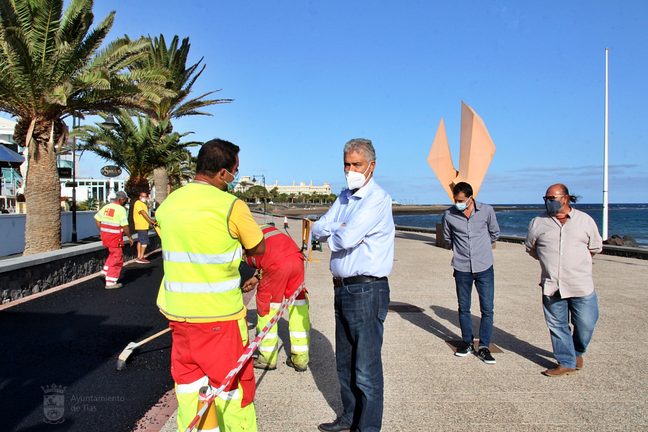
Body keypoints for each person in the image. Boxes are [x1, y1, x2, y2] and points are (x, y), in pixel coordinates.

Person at [155, 139, 265, 432]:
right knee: (233, 393)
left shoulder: (168, 205)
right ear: (221, 173)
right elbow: (258, 247)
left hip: (179, 318)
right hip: (220, 320)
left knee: (189, 389)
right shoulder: (231, 205)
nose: (236, 177)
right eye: (235, 171)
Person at [312, 138, 394, 432]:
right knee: (344, 362)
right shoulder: (345, 197)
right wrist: (338, 228)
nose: (350, 170)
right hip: (341, 287)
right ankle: (349, 417)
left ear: (371, 166)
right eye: (346, 164)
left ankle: (367, 427)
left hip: (367, 289)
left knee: (366, 368)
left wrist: (335, 231)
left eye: (356, 164)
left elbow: (343, 239)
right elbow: (319, 227)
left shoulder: (377, 199)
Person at [525, 183, 603, 377]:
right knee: (557, 326)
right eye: (546, 199)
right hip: (552, 285)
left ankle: (576, 352)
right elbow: (531, 248)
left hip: (580, 285)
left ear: (565, 199)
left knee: (586, 324)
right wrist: (550, 262)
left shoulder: (585, 221)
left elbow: (595, 247)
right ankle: (566, 362)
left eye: (552, 198)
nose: (548, 202)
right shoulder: (538, 222)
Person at [442, 182, 500, 364]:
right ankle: (467, 342)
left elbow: (494, 233)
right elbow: (447, 238)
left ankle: (483, 347)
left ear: (470, 198)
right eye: (455, 199)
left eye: (460, 200)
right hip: (462, 268)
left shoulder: (487, 211)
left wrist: (481, 249)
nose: (457, 203)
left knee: (487, 309)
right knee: (464, 308)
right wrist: (461, 250)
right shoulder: (449, 215)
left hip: (484, 267)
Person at [241, 224, 310, 372]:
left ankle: (267, 358)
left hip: (275, 264)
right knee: (298, 308)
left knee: (268, 308)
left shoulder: (241, 238)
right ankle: (300, 358)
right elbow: (272, 256)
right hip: (296, 260)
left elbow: (271, 262)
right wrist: (256, 278)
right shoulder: (261, 229)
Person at [94, 191, 134, 289]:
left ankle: (105, 272)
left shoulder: (107, 207)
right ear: (123, 199)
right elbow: (125, 226)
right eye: (126, 200)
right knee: (117, 257)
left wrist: (102, 231)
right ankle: (111, 282)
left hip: (106, 236)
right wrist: (130, 237)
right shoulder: (121, 210)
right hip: (115, 237)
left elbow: (97, 218)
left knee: (112, 254)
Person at [133, 191, 157, 264]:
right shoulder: (138, 203)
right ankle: (141, 257)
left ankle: (139, 256)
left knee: (140, 240)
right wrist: (151, 220)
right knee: (144, 241)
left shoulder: (144, 204)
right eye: (143, 197)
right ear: (140, 197)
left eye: (145, 197)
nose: (144, 198)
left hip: (144, 225)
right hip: (141, 225)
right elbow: (143, 212)